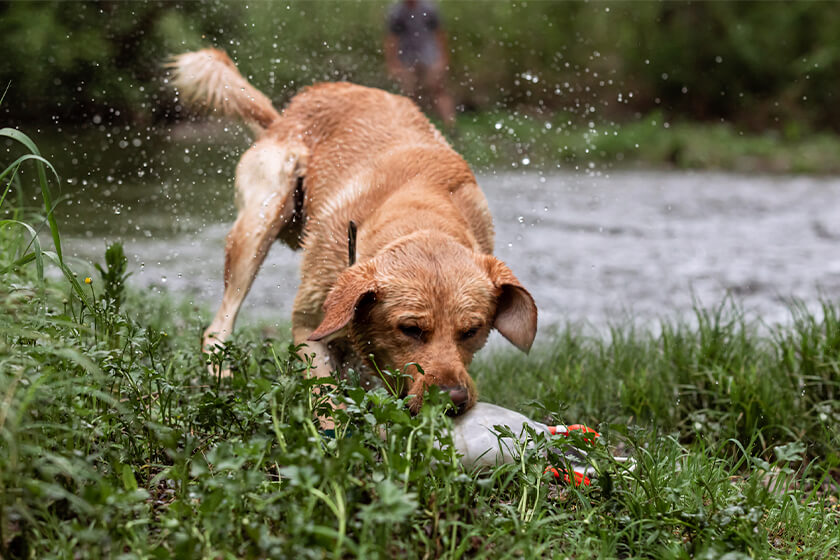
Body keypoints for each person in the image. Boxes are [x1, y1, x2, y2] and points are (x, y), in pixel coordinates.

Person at [384, 0, 456, 130]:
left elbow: (439, 33)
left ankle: (450, 125)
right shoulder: (397, 11)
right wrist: (393, 62)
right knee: (409, 95)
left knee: (438, 89)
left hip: (429, 55)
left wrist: (443, 57)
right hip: (406, 56)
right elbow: (392, 38)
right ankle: (412, 127)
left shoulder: (429, 8)